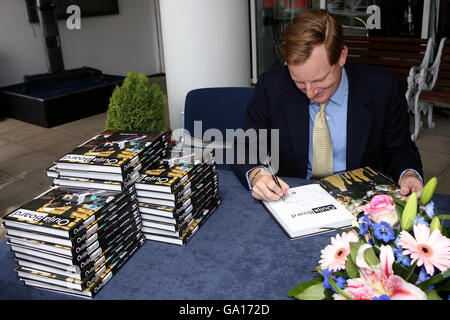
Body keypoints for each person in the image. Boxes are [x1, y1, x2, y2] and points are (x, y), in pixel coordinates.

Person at [231, 9, 424, 202]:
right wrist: (256, 174)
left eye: (319, 80)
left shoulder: (382, 88)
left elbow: (399, 149)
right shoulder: (272, 86)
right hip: (291, 198)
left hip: (358, 200)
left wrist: (408, 174)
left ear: (341, 56)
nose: (310, 92)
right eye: (299, 82)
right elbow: (246, 146)